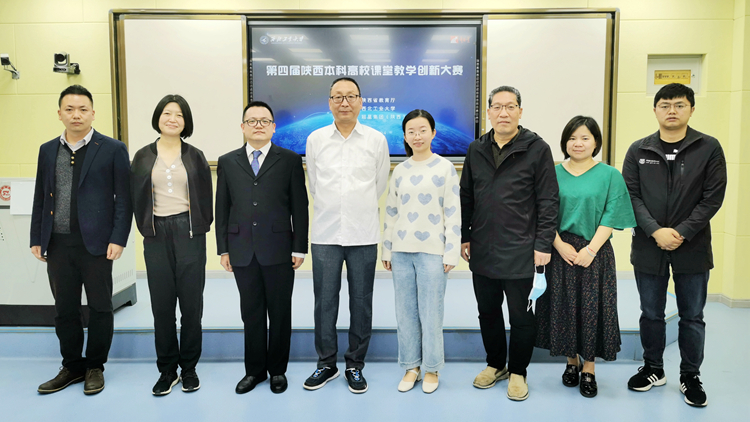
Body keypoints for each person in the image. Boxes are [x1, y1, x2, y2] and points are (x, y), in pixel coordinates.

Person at [622, 83, 726, 408]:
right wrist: (655, 231)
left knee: (692, 316)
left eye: (679, 105)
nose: (671, 110)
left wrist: (680, 232)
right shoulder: (638, 150)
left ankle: (690, 375)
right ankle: (653, 368)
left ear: (691, 109)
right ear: (654, 110)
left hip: (692, 245)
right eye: (664, 104)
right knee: (651, 313)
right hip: (648, 244)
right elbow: (631, 196)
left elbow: (713, 197)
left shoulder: (708, 148)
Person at [31, 84, 132, 395]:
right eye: (70, 109)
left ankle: (95, 366)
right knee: (65, 309)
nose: (76, 115)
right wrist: (37, 237)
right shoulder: (47, 150)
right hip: (58, 243)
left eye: (83, 109)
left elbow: (124, 198)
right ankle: (72, 366)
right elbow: (40, 197)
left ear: (93, 113)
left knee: (100, 307)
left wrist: (118, 238)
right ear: (60, 113)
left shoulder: (112, 149)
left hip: (97, 244)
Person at [460, 85, 558, 401]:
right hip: (483, 247)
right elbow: (466, 196)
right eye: (497, 107)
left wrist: (543, 244)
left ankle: (518, 371)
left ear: (520, 111)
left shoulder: (537, 148)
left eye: (510, 106)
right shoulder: (476, 149)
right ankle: (495, 365)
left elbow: (548, 200)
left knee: (521, 317)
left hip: (523, 250)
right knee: (487, 312)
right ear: (488, 112)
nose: (504, 112)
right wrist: (465, 236)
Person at [535, 116, 636, 398]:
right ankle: (571, 361)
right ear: (564, 142)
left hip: (596, 252)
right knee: (564, 307)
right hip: (561, 251)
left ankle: (589, 367)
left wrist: (591, 250)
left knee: (592, 310)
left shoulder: (610, 175)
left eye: (584, 138)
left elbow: (612, 215)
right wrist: (558, 245)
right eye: (572, 138)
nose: (577, 143)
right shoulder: (552, 173)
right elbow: (543, 213)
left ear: (596, 142)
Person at [303, 77, 390, 394]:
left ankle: (355, 365)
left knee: (361, 302)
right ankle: (326, 363)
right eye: (337, 97)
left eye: (351, 96)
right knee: (324, 302)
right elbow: (314, 184)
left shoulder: (376, 140)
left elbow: (379, 184)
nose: (344, 102)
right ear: (329, 103)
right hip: (325, 233)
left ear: (360, 101)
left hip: (363, 232)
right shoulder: (315, 139)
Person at [216, 101, 309, 395]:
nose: (258, 125)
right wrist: (223, 249)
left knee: (280, 313)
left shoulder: (289, 160)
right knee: (251, 313)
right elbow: (222, 207)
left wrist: (299, 247)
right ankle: (254, 371)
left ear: (273, 127)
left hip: (280, 249)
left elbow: (300, 207)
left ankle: (278, 370)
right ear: (243, 127)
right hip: (241, 249)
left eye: (264, 121)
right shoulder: (228, 161)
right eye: (252, 121)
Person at [130, 94, 213, 395]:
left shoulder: (195, 155)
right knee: (162, 306)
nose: (172, 119)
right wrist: (145, 228)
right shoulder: (142, 156)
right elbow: (135, 196)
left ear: (185, 121)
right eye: (167, 113)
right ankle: (167, 370)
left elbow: (206, 196)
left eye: (179, 114)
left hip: (189, 233)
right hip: (156, 234)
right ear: (158, 118)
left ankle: (189, 368)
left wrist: (199, 227)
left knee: (191, 306)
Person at [381, 110, 461, 394]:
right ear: (405, 136)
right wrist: (387, 250)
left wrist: (451, 252)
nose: (417, 136)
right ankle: (411, 366)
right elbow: (391, 212)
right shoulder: (400, 170)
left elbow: (453, 212)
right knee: (405, 313)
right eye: (411, 131)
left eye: (422, 130)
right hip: (401, 251)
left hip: (433, 253)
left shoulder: (445, 168)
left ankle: (432, 368)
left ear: (433, 133)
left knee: (431, 314)